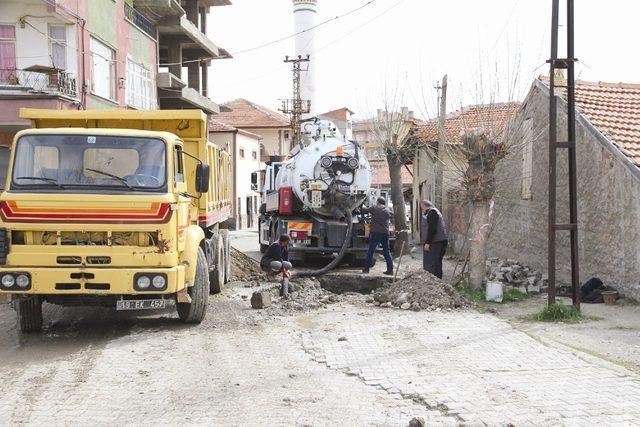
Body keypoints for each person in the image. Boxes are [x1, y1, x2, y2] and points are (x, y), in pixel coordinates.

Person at [362, 196, 394, 275]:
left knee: (371, 251)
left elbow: (365, 210)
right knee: (386, 251)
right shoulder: (387, 210)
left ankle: (366, 269)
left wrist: (362, 205)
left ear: (378, 202)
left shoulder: (375, 207)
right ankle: (390, 270)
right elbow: (392, 216)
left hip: (375, 232)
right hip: (385, 233)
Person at [420, 200, 448, 279]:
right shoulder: (434, 212)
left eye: (421, 207)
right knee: (437, 263)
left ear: (424, 206)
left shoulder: (432, 213)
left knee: (431, 263)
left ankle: (433, 282)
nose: (421, 209)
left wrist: (428, 243)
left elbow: (432, 229)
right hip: (439, 241)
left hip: (435, 242)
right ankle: (438, 281)